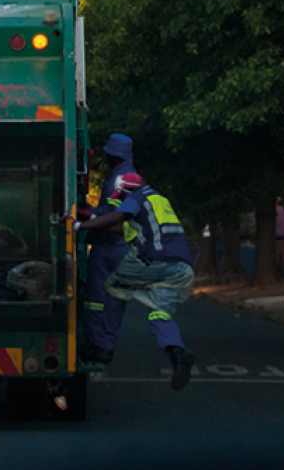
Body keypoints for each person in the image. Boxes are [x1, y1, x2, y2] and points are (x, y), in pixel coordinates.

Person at [74, 173, 196, 390]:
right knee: (159, 313)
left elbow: (114, 218)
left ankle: (103, 348)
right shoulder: (159, 200)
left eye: (121, 197)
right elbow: (121, 228)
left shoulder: (138, 197)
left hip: (155, 261)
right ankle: (177, 353)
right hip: (181, 269)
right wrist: (92, 220)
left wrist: (78, 227)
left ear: (128, 191)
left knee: (115, 288)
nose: (120, 201)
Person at [77, 133, 138, 365]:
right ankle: (106, 346)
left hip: (109, 248)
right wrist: (93, 212)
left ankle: (97, 346)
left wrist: (84, 222)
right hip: (122, 250)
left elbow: (114, 219)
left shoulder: (117, 179)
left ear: (113, 154)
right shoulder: (128, 176)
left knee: (96, 300)